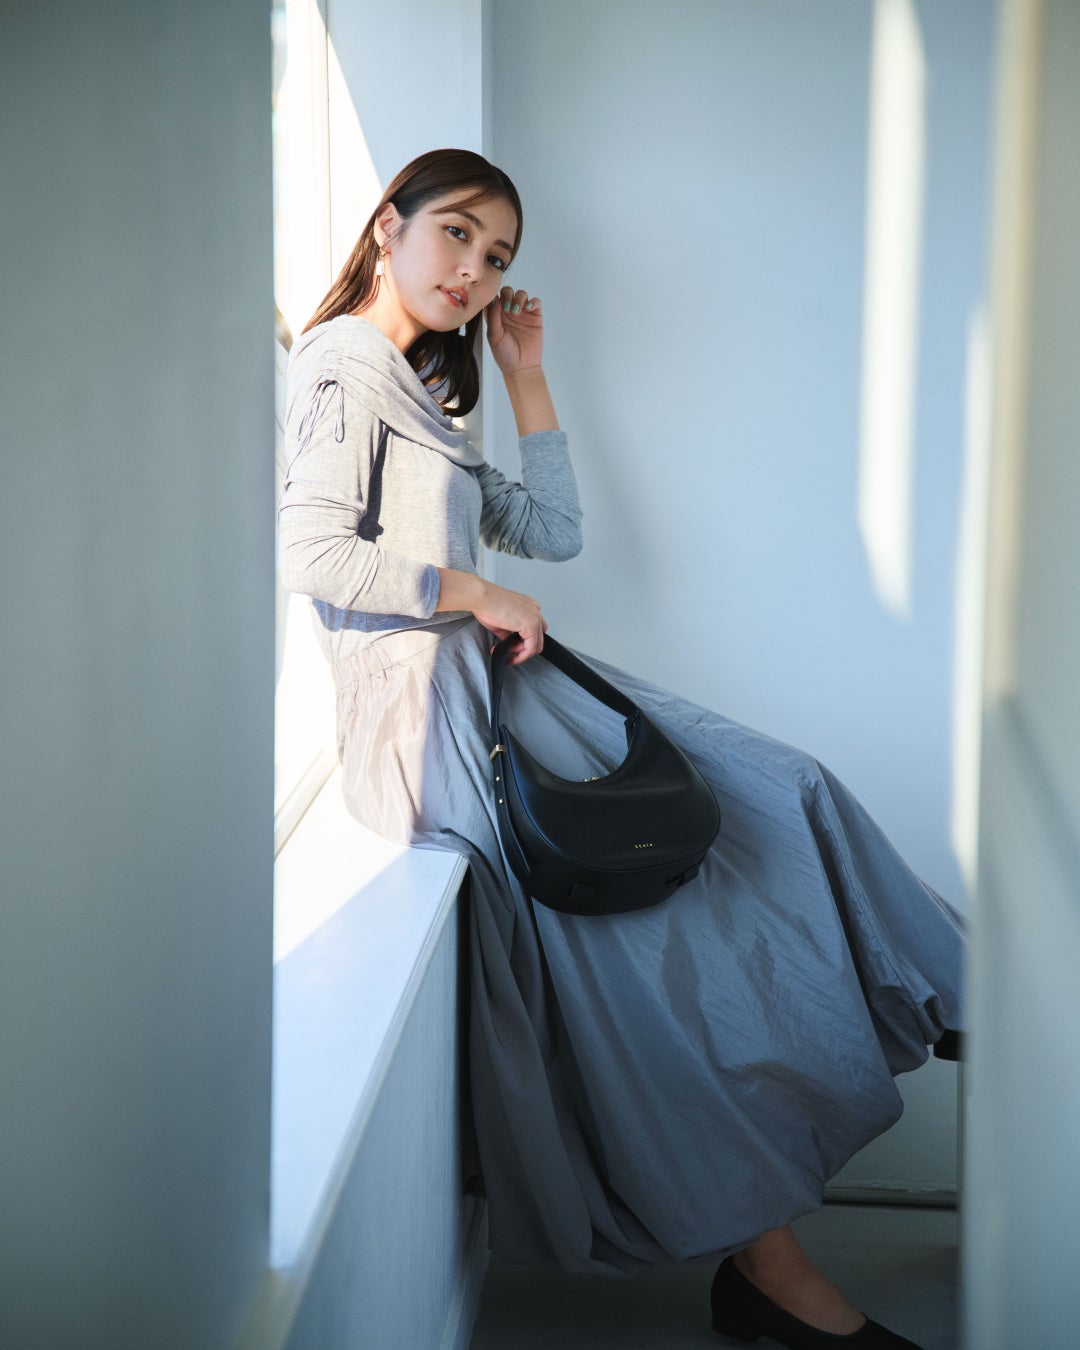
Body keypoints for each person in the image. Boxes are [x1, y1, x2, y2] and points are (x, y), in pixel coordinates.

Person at [277, 148, 964, 1350]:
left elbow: (554, 531)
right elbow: (311, 553)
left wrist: (526, 377)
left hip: (490, 688)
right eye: (456, 233)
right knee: (662, 959)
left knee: (778, 789)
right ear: (387, 226)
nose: (474, 270)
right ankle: (778, 1271)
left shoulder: (420, 390)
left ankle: (955, 997)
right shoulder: (341, 364)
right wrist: (472, 590)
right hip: (426, 717)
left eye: (497, 256)